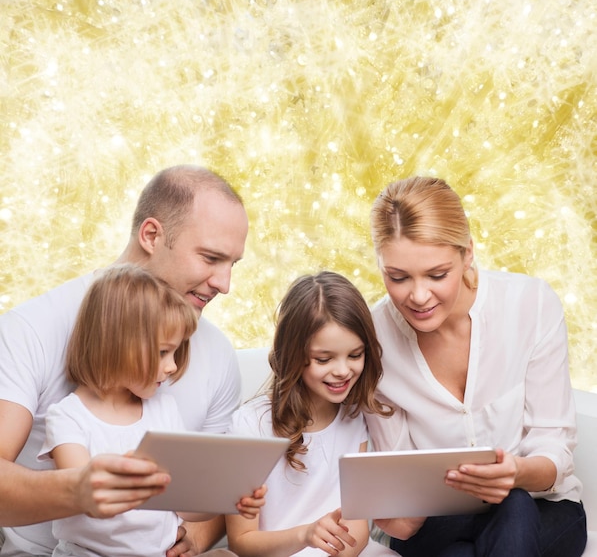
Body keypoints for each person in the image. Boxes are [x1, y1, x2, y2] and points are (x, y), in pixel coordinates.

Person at [0, 165, 260, 556]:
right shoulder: (29, 330)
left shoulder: (217, 355)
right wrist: (80, 489)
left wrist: (193, 538)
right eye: (210, 258)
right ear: (152, 235)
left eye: (232, 265)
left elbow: (204, 495)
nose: (225, 284)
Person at [366, 175, 587, 557]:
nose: (418, 297)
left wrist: (516, 473)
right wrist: (391, 506)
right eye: (398, 277)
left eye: (437, 275)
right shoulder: (373, 338)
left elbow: (555, 447)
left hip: (542, 505)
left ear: (468, 253)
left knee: (512, 505)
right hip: (439, 520)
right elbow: (398, 486)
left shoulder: (530, 305)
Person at [39, 264, 259, 556]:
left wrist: (227, 499)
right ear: (116, 345)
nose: (172, 366)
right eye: (162, 352)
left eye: (175, 351)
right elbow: (88, 501)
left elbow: (186, 508)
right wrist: (138, 481)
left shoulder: (164, 410)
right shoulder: (67, 417)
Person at [225, 271, 396, 557]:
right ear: (293, 354)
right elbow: (242, 540)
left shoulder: (355, 418)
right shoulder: (249, 426)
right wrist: (306, 534)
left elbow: (357, 530)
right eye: (324, 359)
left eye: (355, 355)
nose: (343, 370)